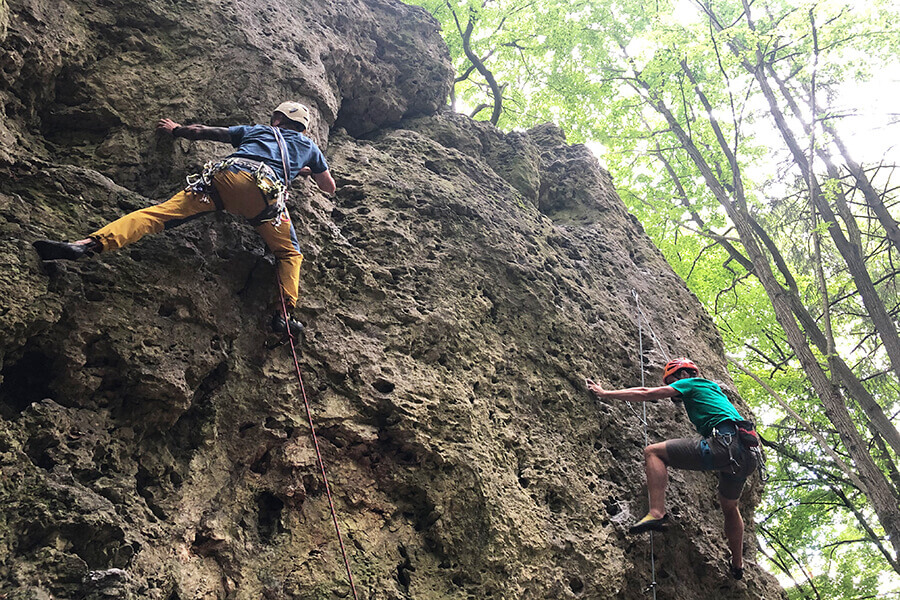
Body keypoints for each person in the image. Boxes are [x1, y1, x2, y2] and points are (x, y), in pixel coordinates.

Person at [33, 101, 336, 339]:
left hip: (224, 181)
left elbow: (206, 131)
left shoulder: (258, 130)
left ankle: (86, 244)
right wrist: (304, 168)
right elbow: (328, 187)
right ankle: (284, 315)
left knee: (155, 215)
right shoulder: (308, 147)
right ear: (302, 129)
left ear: (277, 120)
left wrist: (176, 129)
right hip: (265, 198)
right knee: (289, 254)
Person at [586, 358, 760, 580]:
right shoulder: (713, 389)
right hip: (747, 456)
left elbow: (646, 392)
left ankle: (656, 513)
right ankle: (737, 564)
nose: (676, 394)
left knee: (653, 452)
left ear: (683, 375)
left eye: (673, 382)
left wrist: (605, 393)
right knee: (729, 506)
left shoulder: (691, 383)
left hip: (723, 446)